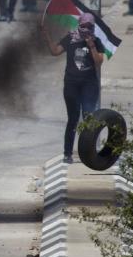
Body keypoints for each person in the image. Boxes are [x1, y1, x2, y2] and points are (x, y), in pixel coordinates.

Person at [41, 12, 104, 164]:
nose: (87, 29)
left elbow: (99, 62)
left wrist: (92, 46)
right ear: (79, 25)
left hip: (89, 85)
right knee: (73, 120)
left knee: (89, 119)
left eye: (90, 26)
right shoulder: (71, 38)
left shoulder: (96, 41)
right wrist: (47, 36)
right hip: (72, 85)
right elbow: (55, 51)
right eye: (84, 26)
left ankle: (88, 152)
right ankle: (67, 154)